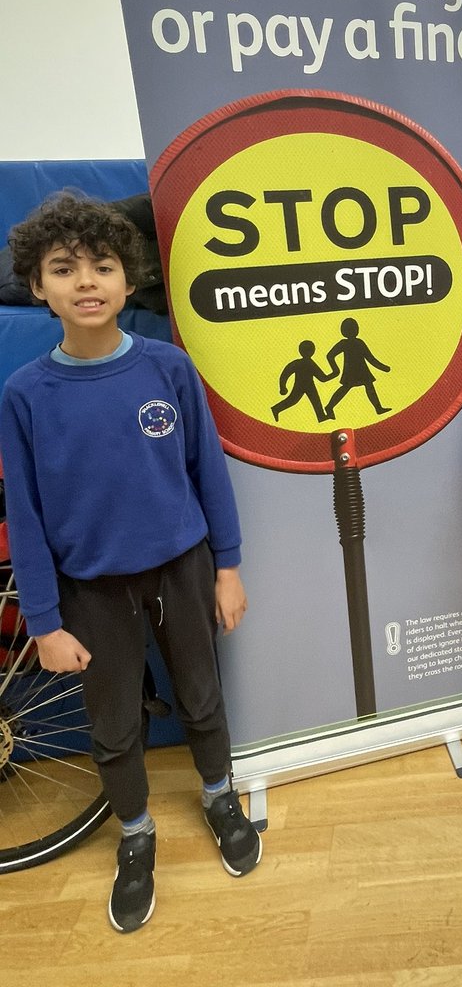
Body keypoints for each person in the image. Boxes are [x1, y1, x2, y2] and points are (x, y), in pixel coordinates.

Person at [0, 192, 262, 932]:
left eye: (103, 266)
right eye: (64, 269)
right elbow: (26, 516)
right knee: (113, 723)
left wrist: (229, 566)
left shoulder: (168, 369)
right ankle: (137, 835)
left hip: (182, 566)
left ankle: (220, 796)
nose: (86, 282)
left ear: (127, 278)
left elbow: (209, 472)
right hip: (89, 588)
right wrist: (45, 622)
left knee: (201, 697)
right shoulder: (25, 396)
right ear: (38, 285)